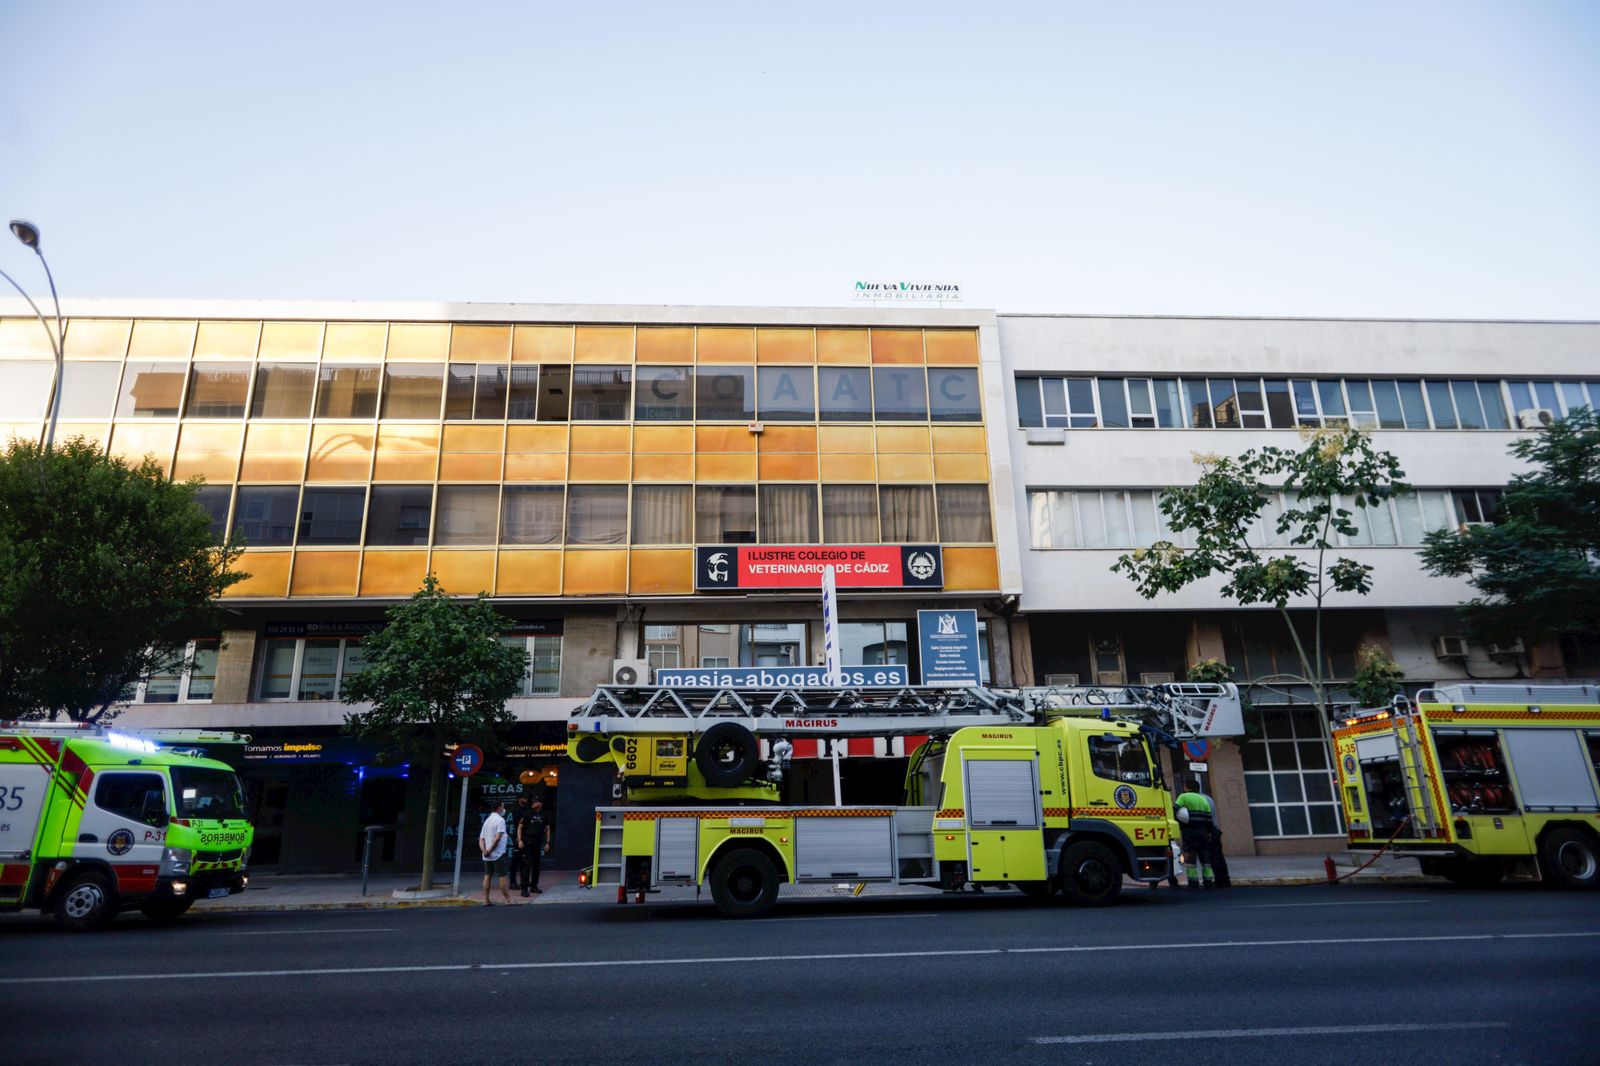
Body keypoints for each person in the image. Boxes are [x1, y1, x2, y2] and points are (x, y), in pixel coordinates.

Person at [1173, 780, 1217, 890]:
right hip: (1203, 832)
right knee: (1205, 859)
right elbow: (1208, 819)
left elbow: (1175, 809)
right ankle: (1208, 882)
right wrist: (1209, 833)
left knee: (1190, 857)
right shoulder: (1203, 799)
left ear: (1186, 787)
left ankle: (1193, 882)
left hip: (1189, 832)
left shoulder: (1183, 797)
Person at [479, 799, 512, 906]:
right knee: (502, 876)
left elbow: (481, 839)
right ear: (498, 808)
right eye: (502, 806)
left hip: (487, 855)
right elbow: (498, 838)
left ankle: (486, 900)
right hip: (498, 853)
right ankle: (508, 899)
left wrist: (484, 850)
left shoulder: (487, 821)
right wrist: (490, 850)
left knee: (487, 875)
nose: (503, 809)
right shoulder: (500, 820)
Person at [518, 798, 550, 896]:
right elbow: (520, 827)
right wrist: (519, 840)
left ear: (540, 803)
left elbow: (547, 828)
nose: (533, 803)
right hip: (527, 843)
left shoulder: (544, 814)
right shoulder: (528, 813)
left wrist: (547, 842)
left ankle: (534, 886)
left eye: (535, 802)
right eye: (532, 802)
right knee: (527, 865)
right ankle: (524, 888)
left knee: (536, 866)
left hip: (538, 843)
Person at [508, 795, 532, 890]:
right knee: (516, 860)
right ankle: (512, 882)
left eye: (526, 798)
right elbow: (519, 823)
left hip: (526, 837)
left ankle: (523, 881)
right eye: (524, 798)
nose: (526, 799)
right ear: (520, 799)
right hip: (518, 837)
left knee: (525, 860)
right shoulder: (516, 810)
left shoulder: (527, 809)